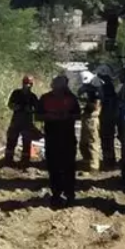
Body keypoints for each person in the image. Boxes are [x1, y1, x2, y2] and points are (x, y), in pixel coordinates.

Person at [37, 75, 81, 208]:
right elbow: (37, 115)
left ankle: (70, 194)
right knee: (53, 167)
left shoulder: (71, 98)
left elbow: (78, 115)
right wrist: (50, 117)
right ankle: (56, 194)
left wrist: (67, 116)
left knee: (69, 167)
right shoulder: (45, 98)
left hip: (68, 138)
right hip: (52, 138)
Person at [4, 75, 39, 165]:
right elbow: (10, 104)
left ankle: (25, 161)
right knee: (11, 140)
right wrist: (16, 107)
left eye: (29, 84)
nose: (27, 86)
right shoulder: (16, 93)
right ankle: (8, 160)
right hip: (16, 119)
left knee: (27, 142)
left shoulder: (33, 96)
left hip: (27, 121)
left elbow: (38, 109)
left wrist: (31, 110)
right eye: (26, 83)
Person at [77, 70, 102, 173]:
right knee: (84, 142)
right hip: (86, 116)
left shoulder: (97, 90)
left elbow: (96, 105)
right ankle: (86, 161)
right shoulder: (89, 88)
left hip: (92, 118)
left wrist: (86, 100)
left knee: (93, 142)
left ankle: (94, 166)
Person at [96, 66, 118, 171]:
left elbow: (102, 101)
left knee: (106, 139)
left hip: (106, 118)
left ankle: (108, 161)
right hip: (110, 117)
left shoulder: (105, 89)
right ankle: (110, 160)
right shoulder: (111, 90)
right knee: (109, 140)